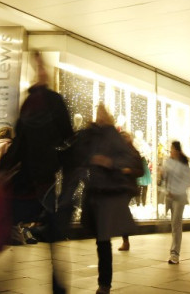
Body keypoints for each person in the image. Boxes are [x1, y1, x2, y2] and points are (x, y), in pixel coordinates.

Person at [0, 50, 74, 294]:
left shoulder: (50, 101)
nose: (40, 70)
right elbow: (22, 140)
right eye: (38, 67)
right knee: (34, 228)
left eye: (41, 66)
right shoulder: (38, 101)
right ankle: (9, 283)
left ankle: (53, 284)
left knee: (47, 232)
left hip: (39, 176)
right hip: (33, 176)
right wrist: (2, 171)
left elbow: (64, 137)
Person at [76, 103, 142, 294]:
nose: (99, 116)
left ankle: (104, 284)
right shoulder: (91, 134)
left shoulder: (113, 135)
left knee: (103, 239)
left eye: (102, 113)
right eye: (97, 113)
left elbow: (127, 159)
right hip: (95, 191)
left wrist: (109, 162)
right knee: (100, 238)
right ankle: (104, 282)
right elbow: (81, 155)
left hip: (108, 192)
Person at [162, 140, 190, 265]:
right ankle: (173, 252)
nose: (170, 151)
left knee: (176, 224)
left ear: (176, 150)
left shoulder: (183, 163)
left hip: (179, 197)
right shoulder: (168, 162)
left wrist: (179, 189)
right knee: (173, 224)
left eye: (171, 149)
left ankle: (175, 254)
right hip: (170, 196)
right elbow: (164, 177)